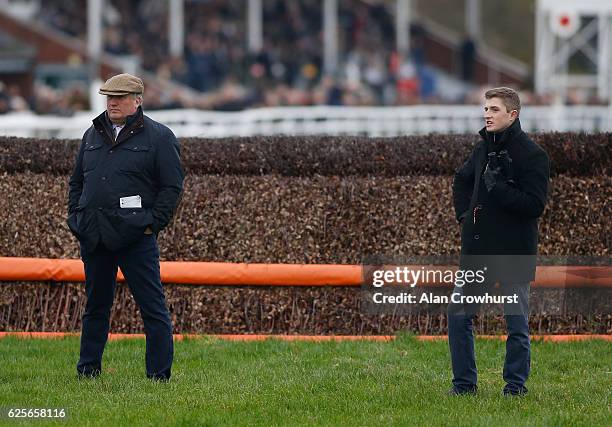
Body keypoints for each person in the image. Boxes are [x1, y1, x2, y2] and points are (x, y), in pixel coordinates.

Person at [67, 73, 184, 381]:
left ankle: (159, 376)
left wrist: (151, 224)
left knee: (152, 308)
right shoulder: (91, 135)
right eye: (109, 97)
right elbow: (77, 181)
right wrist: (76, 217)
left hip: (136, 238)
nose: (113, 102)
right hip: (95, 235)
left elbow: (171, 188)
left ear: (138, 100)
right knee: (96, 307)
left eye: (119, 97)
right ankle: (87, 371)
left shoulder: (160, 137)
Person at [448, 87, 549, 396]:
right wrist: (465, 216)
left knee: (516, 324)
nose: (487, 114)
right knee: (458, 316)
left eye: (494, 109)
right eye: (486, 108)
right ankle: (464, 386)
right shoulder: (481, 150)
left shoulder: (534, 156)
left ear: (512, 114)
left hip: (514, 252)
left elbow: (535, 206)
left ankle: (515, 387)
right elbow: (461, 181)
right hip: (477, 250)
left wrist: (500, 189)